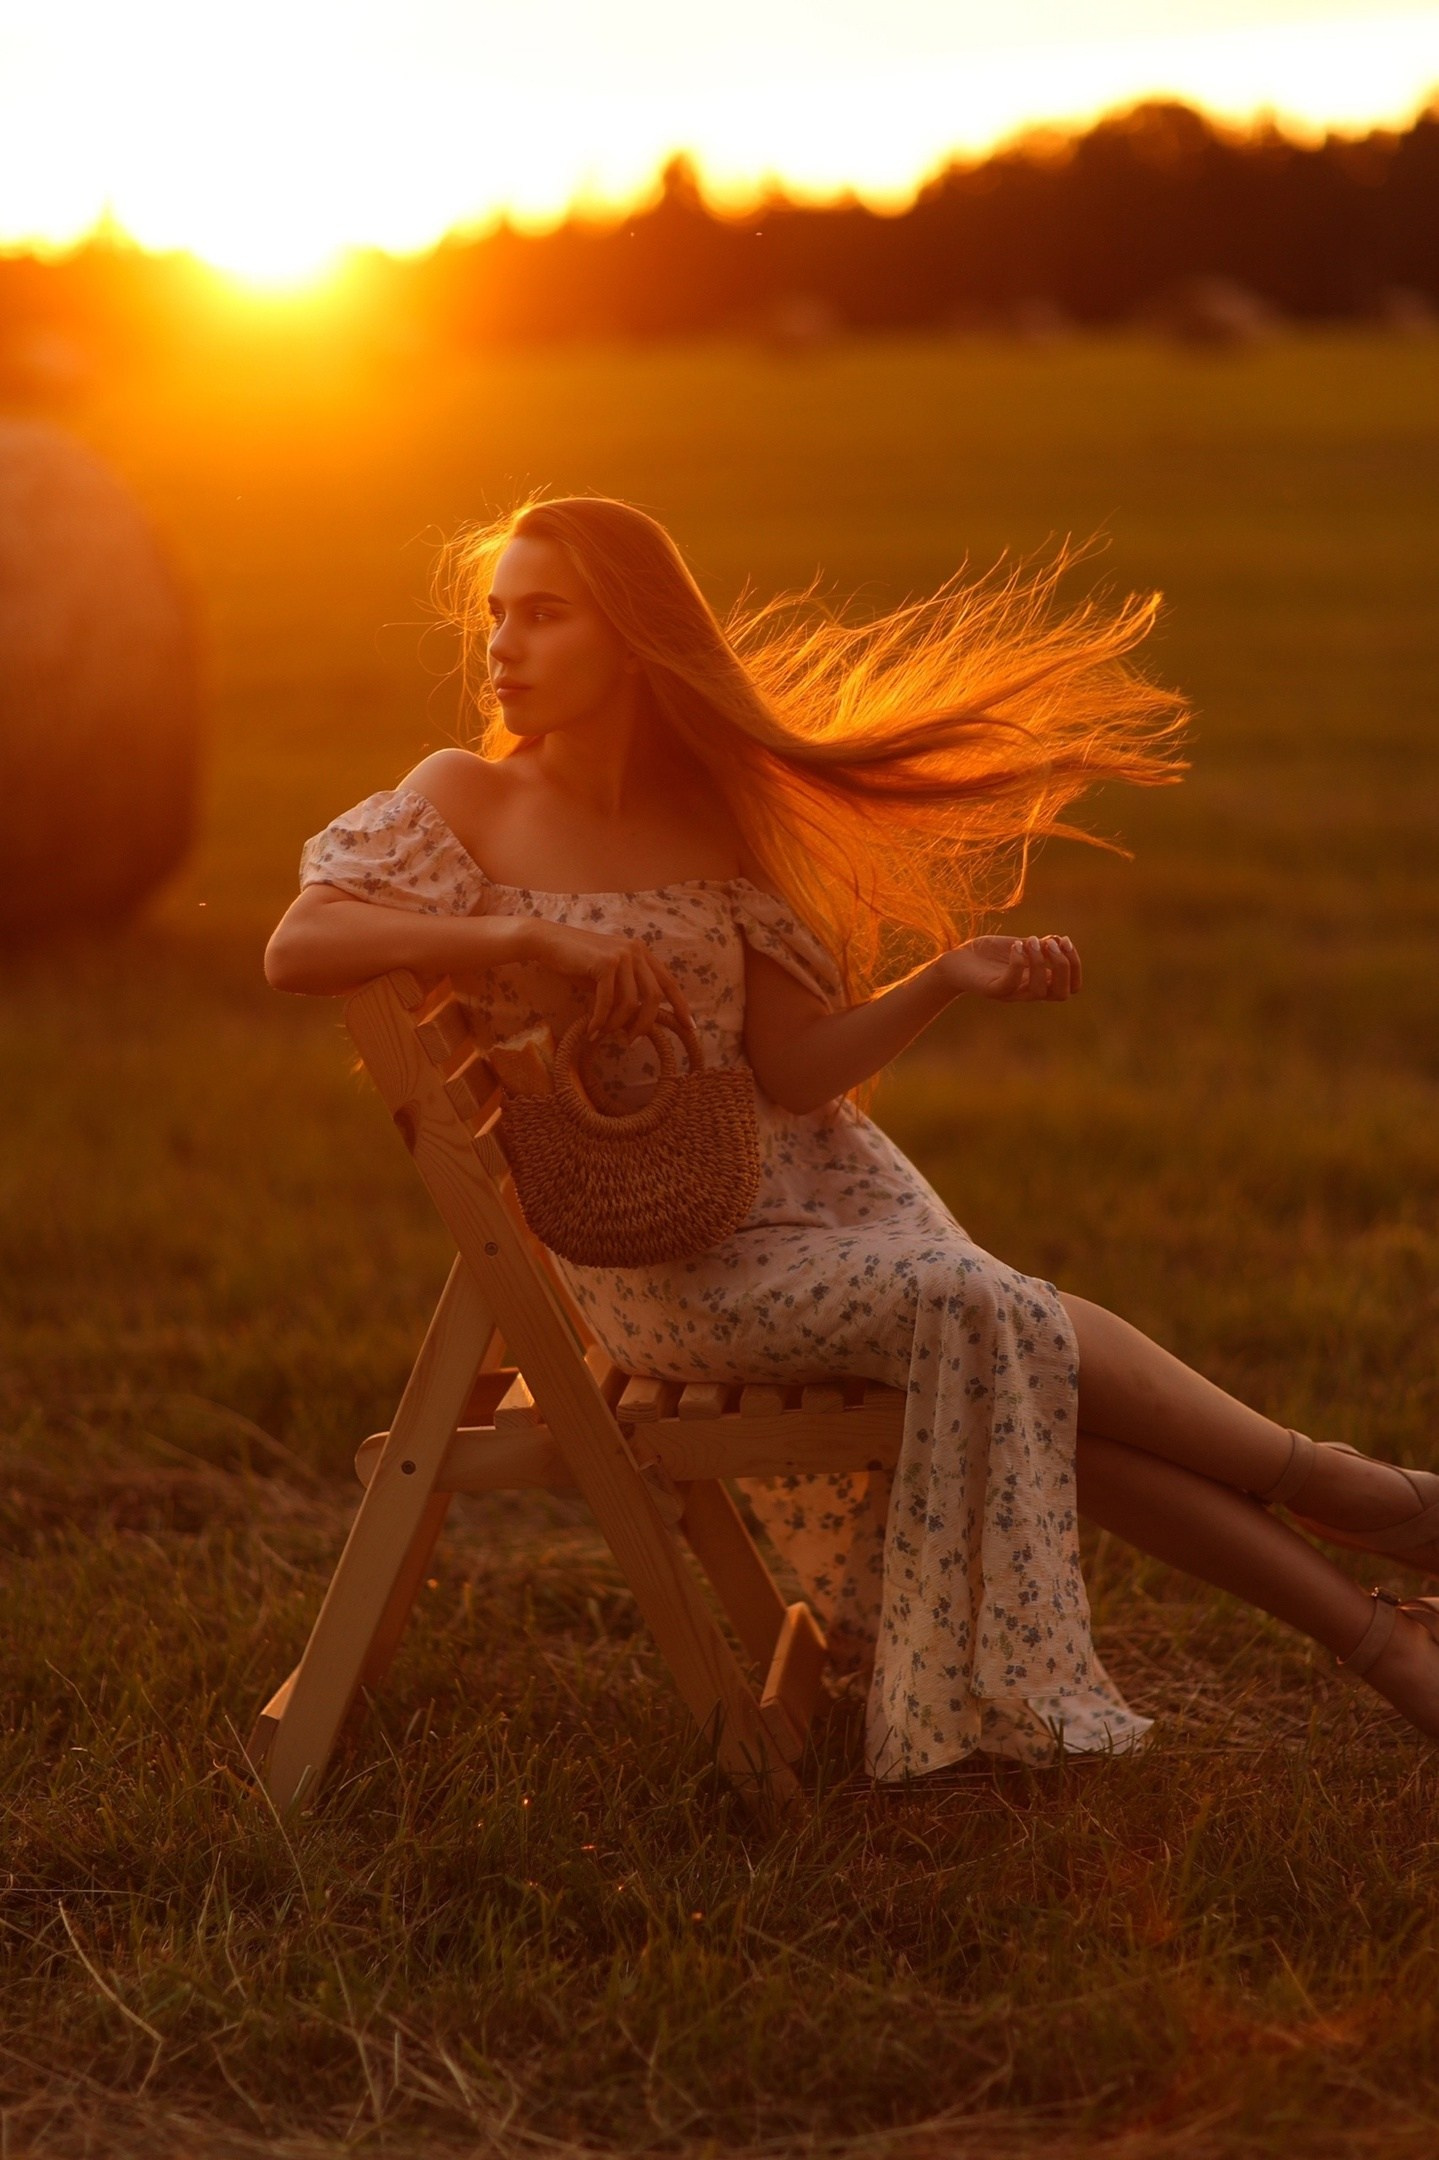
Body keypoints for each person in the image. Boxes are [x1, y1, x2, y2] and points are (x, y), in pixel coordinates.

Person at [265, 494, 1439, 1778]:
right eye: (496, 615)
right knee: (988, 1317)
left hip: (829, 1209)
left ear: (636, 640)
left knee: (1014, 1351)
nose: (502, 644)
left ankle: (1382, 1639)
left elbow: (794, 1072)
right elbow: (299, 943)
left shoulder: (709, 818)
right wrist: (520, 935)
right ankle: (1364, 1502)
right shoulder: (464, 800)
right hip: (671, 1267)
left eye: (542, 614)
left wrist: (942, 980)